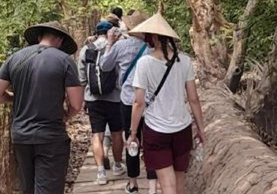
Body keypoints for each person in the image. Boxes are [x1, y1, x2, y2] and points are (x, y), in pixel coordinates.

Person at [0, 21, 84, 194]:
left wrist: (13, 98)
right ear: (60, 40)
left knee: (28, 188)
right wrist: (65, 115)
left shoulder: (15, 58)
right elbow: (76, 104)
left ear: (39, 36)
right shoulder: (65, 61)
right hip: (50, 137)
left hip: (21, 136)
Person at [127, 14, 206, 194]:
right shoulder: (184, 61)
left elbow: (138, 102)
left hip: (156, 130)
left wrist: (133, 133)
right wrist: (201, 128)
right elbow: (193, 98)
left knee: (168, 186)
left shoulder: (144, 63)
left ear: (152, 37)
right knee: (179, 184)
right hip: (182, 128)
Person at [100, 10, 158, 194]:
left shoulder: (121, 46)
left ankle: (133, 183)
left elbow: (105, 66)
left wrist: (110, 43)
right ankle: (152, 185)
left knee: (131, 140)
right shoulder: (153, 48)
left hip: (127, 100)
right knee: (149, 141)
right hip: (149, 101)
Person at [78, 21, 126, 185]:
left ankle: (100, 173)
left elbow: (82, 77)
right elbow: (120, 71)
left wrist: (84, 97)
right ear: (110, 33)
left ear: (96, 32)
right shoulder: (116, 47)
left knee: (96, 135)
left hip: (93, 99)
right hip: (114, 98)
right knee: (117, 133)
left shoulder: (87, 49)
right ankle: (118, 165)